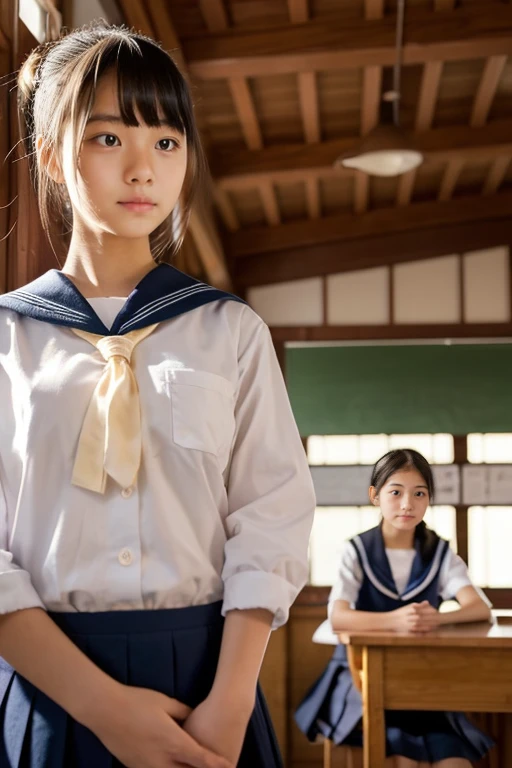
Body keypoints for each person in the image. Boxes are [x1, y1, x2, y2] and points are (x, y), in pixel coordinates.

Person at [0, 22, 316, 768]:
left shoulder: (229, 332)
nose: (143, 168)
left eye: (166, 142)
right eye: (110, 139)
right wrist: (103, 709)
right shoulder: (7, 339)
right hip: (52, 688)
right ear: (50, 155)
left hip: (209, 689)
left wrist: (230, 708)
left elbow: (271, 516)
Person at [295, 448, 494, 768]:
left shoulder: (439, 552)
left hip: (423, 676)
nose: (407, 504)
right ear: (375, 495)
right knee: (402, 759)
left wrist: (437, 619)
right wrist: (395, 620)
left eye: (419, 493)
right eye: (396, 492)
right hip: (361, 678)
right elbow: (338, 616)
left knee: (456, 763)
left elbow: (479, 609)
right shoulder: (356, 550)